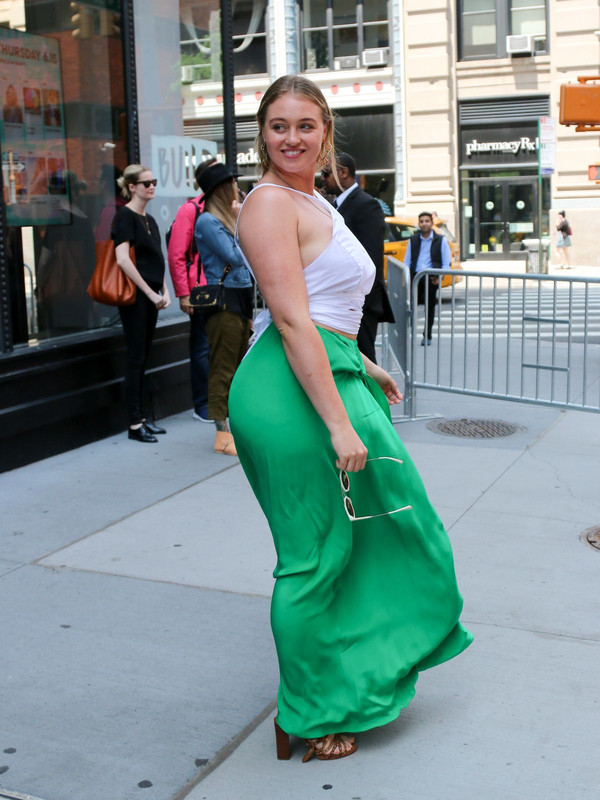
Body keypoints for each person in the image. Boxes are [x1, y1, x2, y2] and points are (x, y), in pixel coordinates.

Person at [228, 75, 472, 763]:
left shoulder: (315, 200)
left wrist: (366, 366)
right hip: (289, 391)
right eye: (279, 125)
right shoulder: (268, 205)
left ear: (325, 131)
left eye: (305, 125)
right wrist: (339, 424)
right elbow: (291, 321)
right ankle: (308, 714)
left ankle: (346, 679)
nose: (292, 138)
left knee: (394, 525)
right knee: (314, 556)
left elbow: (325, 313)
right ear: (262, 134)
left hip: (329, 370)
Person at [193, 163, 253, 456]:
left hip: (240, 298)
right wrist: (242, 220)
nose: (237, 189)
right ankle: (221, 432)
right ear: (221, 190)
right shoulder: (208, 221)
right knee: (223, 368)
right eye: (232, 184)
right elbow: (236, 256)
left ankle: (236, 427)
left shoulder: (226, 220)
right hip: (224, 301)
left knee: (240, 367)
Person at [113, 164, 171, 443]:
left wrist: (165, 290)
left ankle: (143, 419)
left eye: (154, 182)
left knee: (144, 356)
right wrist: (150, 292)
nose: (151, 186)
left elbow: (157, 258)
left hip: (151, 296)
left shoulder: (150, 219)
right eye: (146, 183)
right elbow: (122, 259)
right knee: (136, 357)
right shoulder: (124, 216)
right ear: (131, 187)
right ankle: (135, 424)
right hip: (136, 298)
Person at [321, 152, 394, 363]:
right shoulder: (335, 205)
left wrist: (356, 305)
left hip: (359, 305)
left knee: (363, 365)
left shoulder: (366, 205)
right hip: (343, 303)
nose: (322, 179)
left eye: (326, 173)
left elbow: (370, 261)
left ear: (343, 172)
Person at [167, 158, 217, 424]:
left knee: (223, 346)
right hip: (201, 288)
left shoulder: (227, 206)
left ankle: (222, 401)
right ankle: (203, 404)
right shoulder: (190, 209)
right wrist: (183, 293)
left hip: (226, 286)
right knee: (202, 347)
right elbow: (176, 253)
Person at [403, 211, 451, 346]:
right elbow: (407, 262)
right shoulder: (413, 240)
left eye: (427, 221)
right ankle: (409, 334)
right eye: (422, 221)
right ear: (418, 224)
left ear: (432, 223)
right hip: (415, 277)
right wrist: (405, 278)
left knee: (429, 308)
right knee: (410, 307)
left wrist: (440, 277)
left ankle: (427, 335)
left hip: (431, 278)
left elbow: (446, 263)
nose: (424, 224)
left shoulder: (440, 240)